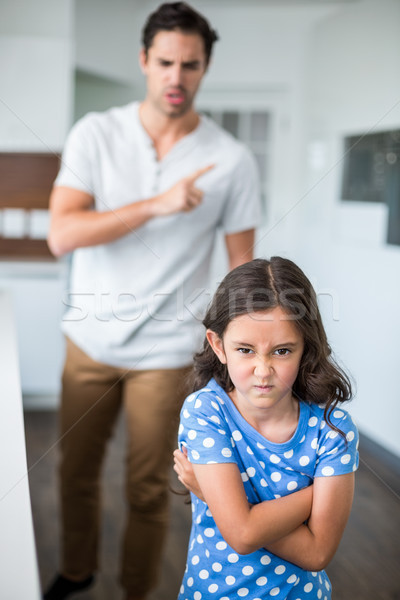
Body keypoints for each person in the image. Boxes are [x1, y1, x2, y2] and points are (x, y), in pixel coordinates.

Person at [43, 3, 260, 600]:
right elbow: (62, 234)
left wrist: (242, 361)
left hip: (168, 354)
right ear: (144, 60)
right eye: (165, 61)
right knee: (75, 473)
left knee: (149, 488)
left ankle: (137, 593)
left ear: (205, 68)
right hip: (88, 340)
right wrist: (158, 204)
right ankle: (77, 571)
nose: (176, 76)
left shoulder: (232, 160)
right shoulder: (96, 132)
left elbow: (243, 273)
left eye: (190, 65)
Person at [173, 257, 359, 600]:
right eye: (245, 350)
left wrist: (213, 497)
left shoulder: (332, 430)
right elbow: (241, 535)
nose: (263, 370)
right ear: (218, 346)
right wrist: (318, 494)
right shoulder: (206, 411)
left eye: (282, 351)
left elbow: (318, 554)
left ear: (305, 350)